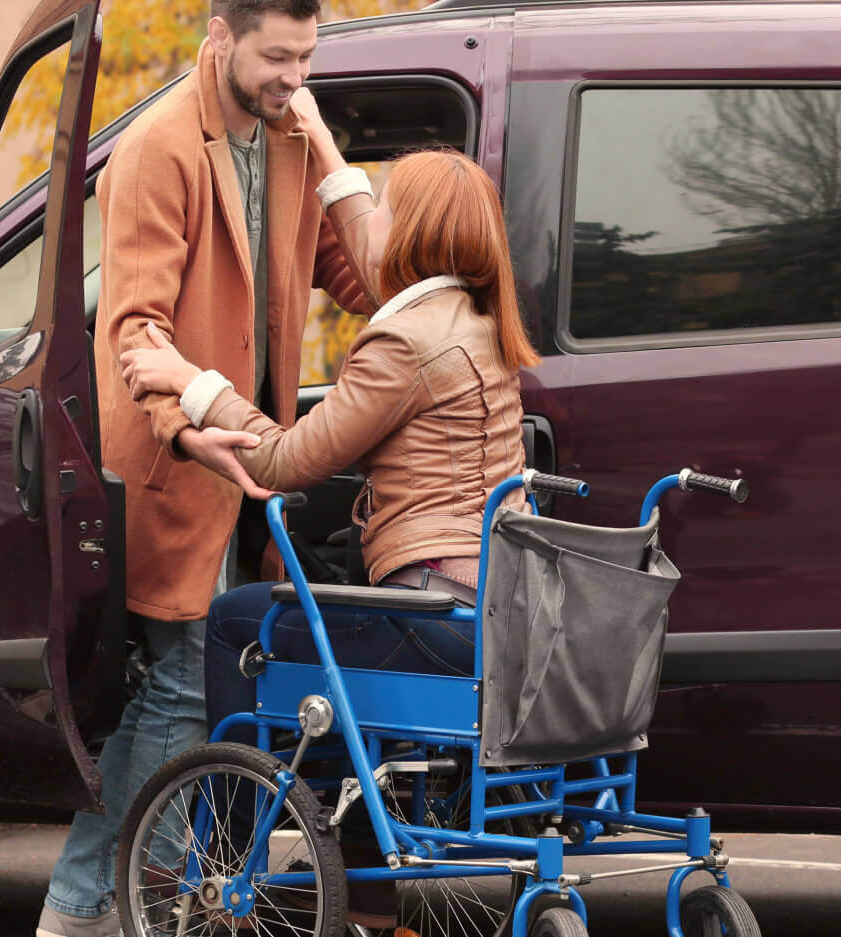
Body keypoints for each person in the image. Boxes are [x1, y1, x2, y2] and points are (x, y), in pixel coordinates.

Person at [120, 148, 541, 933]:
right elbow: (382, 263)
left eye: (380, 208)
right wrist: (323, 145)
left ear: (409, 232)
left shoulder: (403, 346)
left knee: (242, 619)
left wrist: (192, 380)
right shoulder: (480, 323)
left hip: (433, 620)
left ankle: (226, 854)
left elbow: (281, 460)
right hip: (497, 616)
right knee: (341, 671)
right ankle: (371, 899)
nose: (365, 223)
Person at [36, 1, 381, 934]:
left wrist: (339, 166)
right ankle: (89, 908)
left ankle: (104, 907)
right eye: (278, 57)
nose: (296, 78)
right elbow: (133, 328)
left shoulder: (293, 141)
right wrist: (193, 429)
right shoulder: (158, 147)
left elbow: (373, 283)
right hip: (177, 469)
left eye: (308, 57)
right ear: (221, 38)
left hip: (252, 474)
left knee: (193, 697)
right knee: (184, 693)